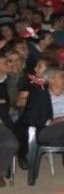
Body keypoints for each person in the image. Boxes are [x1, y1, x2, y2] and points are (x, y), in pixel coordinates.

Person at [0, 55, 20, 188]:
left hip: (2, 121)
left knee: (11, 143)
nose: (10, 64)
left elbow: (13, 102)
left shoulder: (10, 81)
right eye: (6, 62)